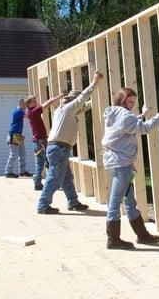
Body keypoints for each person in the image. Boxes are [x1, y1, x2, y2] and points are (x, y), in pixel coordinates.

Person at [102, 88, 159, 249]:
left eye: (133, 103)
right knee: (115, 203)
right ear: (122, 100)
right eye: (129, 102)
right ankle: (113, 239)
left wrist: (141, 115)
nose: (131, 105)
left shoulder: (114, 113)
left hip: (118, 161)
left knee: (130, 202)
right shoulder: (126, 115)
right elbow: (144, 129)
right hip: (121, 164)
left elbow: (127, 126)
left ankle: (142, 236)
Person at [36, 70, 103, 214]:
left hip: (59, 148)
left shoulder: (62, 110)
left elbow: (84, 105)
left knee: (66, 177)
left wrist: (98, 98)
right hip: (59, 148)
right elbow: (82, 99)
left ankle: (73, 202)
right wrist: (95, 82)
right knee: (54, 177)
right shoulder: (68, 109)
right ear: (72, 100)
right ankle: (42, 205)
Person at [25, 91, 66, 191]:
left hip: (36, 142)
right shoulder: (34, 112)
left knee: (40, 164)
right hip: (41, 141)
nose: (36, 102)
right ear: (29, 104)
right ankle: (55, 184)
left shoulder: (29, 113)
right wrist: (60, 96)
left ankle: (37, 184)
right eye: (34, 101)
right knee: (51, 162)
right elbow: (48, 103)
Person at [5, 98, 33, 178]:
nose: (26, 107)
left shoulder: (18, 111)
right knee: (13, 155)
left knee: (22, 154)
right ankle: (8, 172)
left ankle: (22, 171)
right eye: (25, 105)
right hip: (14, 135)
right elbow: (28, 114)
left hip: (18, 135)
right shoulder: (18, 111)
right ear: (21, 104)